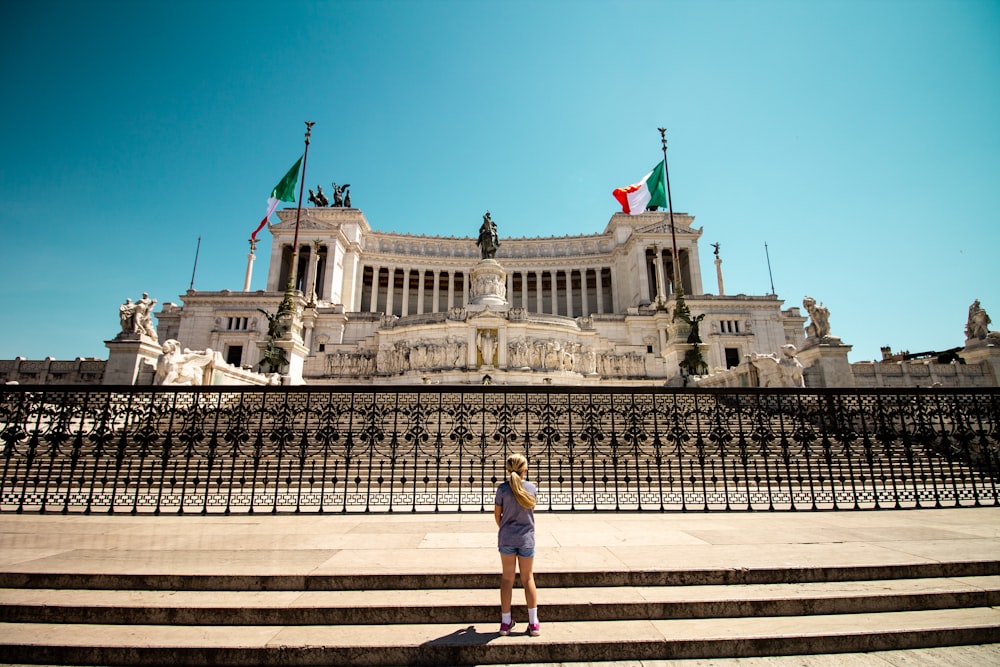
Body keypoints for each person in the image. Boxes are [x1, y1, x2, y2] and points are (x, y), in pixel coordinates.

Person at [494, 453, 540, 637]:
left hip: (507, 538)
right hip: (526, 539)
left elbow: (497, 515)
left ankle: (506, 622)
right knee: (528, 578)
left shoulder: (503, 489)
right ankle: (533, 622)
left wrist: (505, 528)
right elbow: (530, 512)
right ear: (525, 469)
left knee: (507, 579)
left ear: (508, 468)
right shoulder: (531, 488)